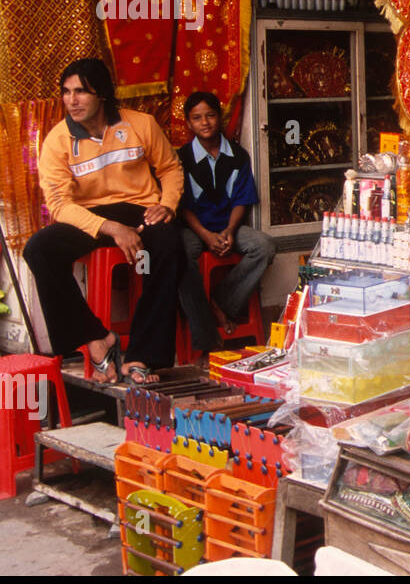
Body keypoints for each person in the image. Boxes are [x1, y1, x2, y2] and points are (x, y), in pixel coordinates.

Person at [23, 58, 185, 384]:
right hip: (91, 215)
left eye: (81, 91)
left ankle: (142, 355)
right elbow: (58, 204)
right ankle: (95, 338)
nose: (72, 100)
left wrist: (166, 205)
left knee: (170, 247)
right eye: (67, 92)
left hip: (140, 208)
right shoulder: (57, 140)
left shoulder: (141, 124)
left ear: (102, 95)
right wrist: (110, 228)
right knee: (39, 249)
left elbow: (170, 168)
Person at [176, 91, 274, 351]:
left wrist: (230, 231)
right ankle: (203, 324)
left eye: (210, 115)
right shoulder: (182, 158)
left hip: (228, 225)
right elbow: (183, 207)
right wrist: (207, 235)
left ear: (219, 118)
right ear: (188, 123)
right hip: (195, 228)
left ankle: (220, 302)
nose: (205, 122)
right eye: (197, 118)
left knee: (264, 246)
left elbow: (242, 200)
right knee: (181, 251)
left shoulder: (238, 156)